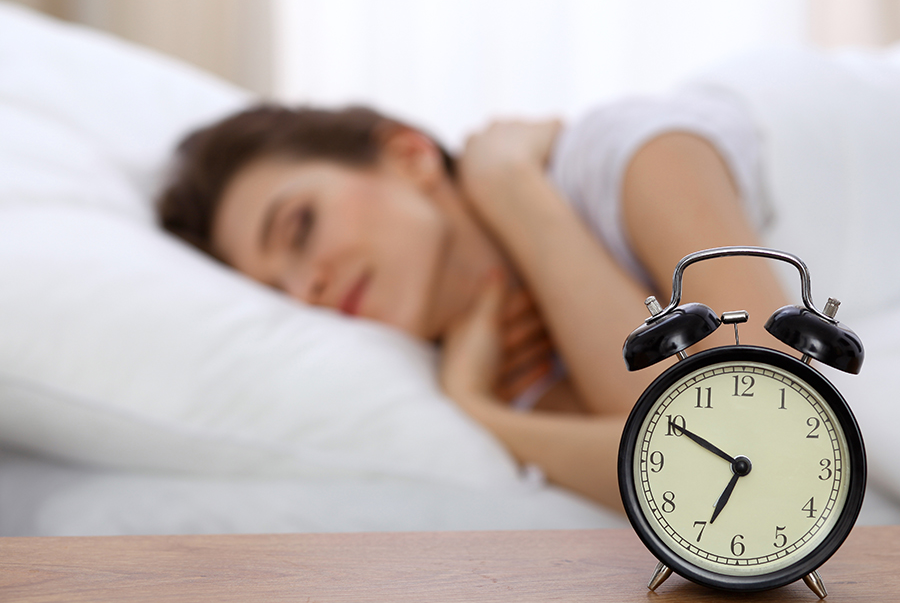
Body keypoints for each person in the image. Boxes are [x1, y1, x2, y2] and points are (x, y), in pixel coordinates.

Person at [158, 100, 788, 511]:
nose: (306, 291)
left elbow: (769, 428)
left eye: (299, 228)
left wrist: (511, 186)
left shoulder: (624, 156)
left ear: (410, 156)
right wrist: (481, 409)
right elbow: (723, 476)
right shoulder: (503, 374)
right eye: (279, 293)